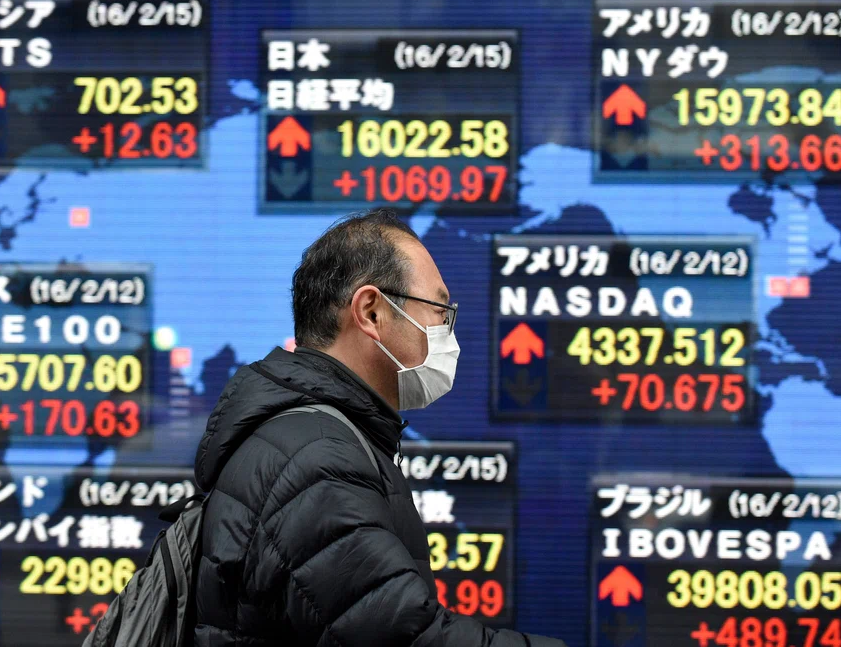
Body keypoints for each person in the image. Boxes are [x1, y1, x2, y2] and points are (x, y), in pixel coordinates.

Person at [194, 208, 566, 646]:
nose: (448, 333)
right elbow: (405, 637)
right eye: (440, 310)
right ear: (371, 312)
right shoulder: (315, 460)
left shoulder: (311, 437)